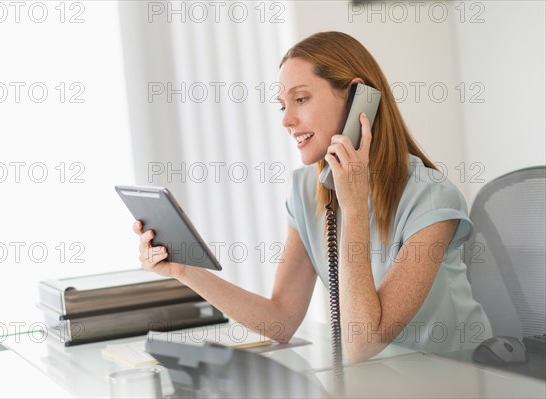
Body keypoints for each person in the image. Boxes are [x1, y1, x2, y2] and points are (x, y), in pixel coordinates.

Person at [134, 31, 492, 362]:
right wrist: (184, 270)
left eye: (301, 99)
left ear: (358, 99)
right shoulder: (307, 190)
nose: (287, 120)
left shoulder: (432, 198)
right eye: (282, 105)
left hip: (452, 383)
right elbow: (282, 320)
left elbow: (363, 343)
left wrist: (352, 207)